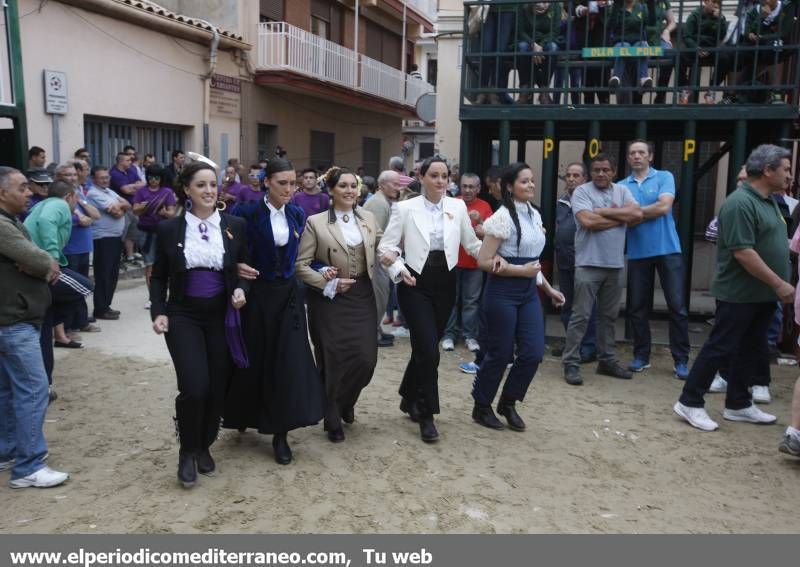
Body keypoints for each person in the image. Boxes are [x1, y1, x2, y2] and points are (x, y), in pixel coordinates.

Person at [673, 145, 793, 431]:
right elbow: (743, 252)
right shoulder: (740, 203)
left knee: (750, 348)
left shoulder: (770, 201)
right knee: (720, 347)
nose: (789, 175)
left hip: (761, 294)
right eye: (786, 169)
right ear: (767, 170)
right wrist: (779, 283)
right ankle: (689, 401)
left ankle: (738, 404)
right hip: (739, 294)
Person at [149, 161, 249, 488]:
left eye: (212, 184)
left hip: (222, 316)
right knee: (194, 386)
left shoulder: (235, 225)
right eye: (201, 185)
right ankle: (187, 451)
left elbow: (244, 272)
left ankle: (205, 444)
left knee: (217, 387)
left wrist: (240, 290)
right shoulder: (169, 229)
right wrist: (159, 311)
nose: (209, 191)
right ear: (187, 190)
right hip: (183, 315)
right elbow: (159, 275)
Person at [223, 158, 324, 465]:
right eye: (283, 183)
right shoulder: (246, 212)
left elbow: (303, 256)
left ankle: (281, 433)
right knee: (254, 359)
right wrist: (236, 267)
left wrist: (323, 270)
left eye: (293, 183)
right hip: (256, 296)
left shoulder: (296, 213)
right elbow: (229, 248)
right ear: (267, 182)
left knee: (288, 363)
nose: (290, 189)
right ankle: (242, 414)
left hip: (289, 296)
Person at [378, 156, 484, 443]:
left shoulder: (457, 206)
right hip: (414, 282)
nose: (440, 181)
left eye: (444, 176)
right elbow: (385, 247)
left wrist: (492, 255)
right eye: (434, 175)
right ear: (421, 177)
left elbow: (471, 244)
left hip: (446, 282)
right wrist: (399, 270)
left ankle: (408, 396)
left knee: (426, 349)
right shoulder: (404, 208)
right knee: (429, 350)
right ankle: (427, 415)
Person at [471, 163, 565, 431]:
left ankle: (509, 402)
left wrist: (549, 289)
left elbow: (532, 262)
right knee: (500, 353)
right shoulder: (501, 218)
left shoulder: (534, 215)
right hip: (501, 292)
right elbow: (484, 261)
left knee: (534, 352)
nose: (531, 185)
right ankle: (481, 406)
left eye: (532, 180)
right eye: (525, 181)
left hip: (527, 293)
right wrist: (519, 270)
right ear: (510, 187)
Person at [296, 167, 380, 442]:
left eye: (353, 185)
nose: (349, 190)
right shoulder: (315, 222)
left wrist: (398, 262)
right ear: (331, 190)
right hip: (329, 299)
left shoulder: (368, 217)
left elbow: (381, 249)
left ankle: (346, 400)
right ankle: (331, 411)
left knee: (366, 359)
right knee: (333, 358)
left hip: (362, 293)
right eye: (342, 186)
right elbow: (301, 266)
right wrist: (327, 282)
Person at [0, 166, 69, 489]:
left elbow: (34, 258)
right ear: (3, 193)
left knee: (8, 390)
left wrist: (36, 261)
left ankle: (8, 452)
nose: (30, 193)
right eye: (23, 188)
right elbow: (43, 262)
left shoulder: (11, 223)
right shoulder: (2, 225)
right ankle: (29, 466)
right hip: (13, 322)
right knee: (34, 390)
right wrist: (43, 263)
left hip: (11, 320)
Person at [562, 154, 643, 386]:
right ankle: (571, 362)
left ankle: (606, 360)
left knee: (609, 317)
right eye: (596, 170)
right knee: (581, 316)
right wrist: (620, 217)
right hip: (588, 263)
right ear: (590, 172)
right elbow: (588, 222)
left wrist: (603, 212)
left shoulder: (622, 191)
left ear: (614, 171)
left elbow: (637, 215)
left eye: (605, 170)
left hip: (615, 264)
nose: (601, 174)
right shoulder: (582, 192)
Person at [620, 140, 690, 378]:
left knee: (677, 307)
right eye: (632, 153)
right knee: (637, 308)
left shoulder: (664, 176)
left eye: (641, 152)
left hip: (668, 249)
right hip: (639, 252)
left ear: (650, 156)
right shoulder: (621, 186)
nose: (636, 156)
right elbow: (622, 217)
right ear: (628, 158)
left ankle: (681, 359)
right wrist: (638, 212)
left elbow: (664, 208)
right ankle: (641, 356)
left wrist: (635, 213)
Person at [23, 181, 94, 398]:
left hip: (35, 264)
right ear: (70, 196)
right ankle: (55, 321)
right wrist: (53, 257)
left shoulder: (43, 204)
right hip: (41, 264)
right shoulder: (58, 205)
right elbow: (46, 222)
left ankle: (45, 386)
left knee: (45, 330)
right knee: (85, 287)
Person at [442, 173, 492, 353]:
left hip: (474, 263)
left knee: (471, 301)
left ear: (479, 189)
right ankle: (449, 335)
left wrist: (479, 221)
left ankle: (470, 336)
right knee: (451, 300)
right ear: (459, 187)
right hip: (452, 261)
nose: (468, 190)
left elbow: (492, 235)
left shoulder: (485, 207)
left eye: (472, 187)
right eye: (465, 186)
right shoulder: (451, 204)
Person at [553, 162, 597, 362]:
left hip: (584, 262)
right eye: (568, 175)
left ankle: (588, 348)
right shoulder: (561, 202)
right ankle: (572, 345)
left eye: (576, 175)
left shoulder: (591, 199)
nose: (571, 178)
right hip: (564, 261)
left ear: (585, 178)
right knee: (566, 305)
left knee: (585, 307)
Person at [55, 163, 101, 338]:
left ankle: (81, 321)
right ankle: (67, 327)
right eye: (68, 175)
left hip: (83, 247)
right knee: (69, 289)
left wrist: (81, 203)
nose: (72, 178)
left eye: (74, 174)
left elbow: (95, 215)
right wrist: (80, 216)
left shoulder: (79, 192)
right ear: (59, 177)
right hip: (69, 249)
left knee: (81, 287)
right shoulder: (58, 195)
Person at [363, 170, 402, 348]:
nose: (398, 187)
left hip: (380, 258)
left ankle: (375, 330)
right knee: (378, 296)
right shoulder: (379, 204)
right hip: (376, 259)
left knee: (381, 295)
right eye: (395, 184)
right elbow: (375, 237)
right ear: (383, 185)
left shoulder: (382, 201)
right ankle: (372, 334)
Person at [86, 166, 131, 320]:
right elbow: (115, 212)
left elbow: (127, 205)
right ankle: (100, 308)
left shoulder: (110, 192)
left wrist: (122, 207)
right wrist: (122, 207)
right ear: (94, 179)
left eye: (107, 177)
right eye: (102, 177)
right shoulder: (93, 193)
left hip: (114, 238)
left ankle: (106, 305)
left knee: (112, 274)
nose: (105, 180)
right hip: (103, 238)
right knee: (104, 274)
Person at [132, 165, 177, 297]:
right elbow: (134, 210)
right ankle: (153, 297)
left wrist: (164, 212)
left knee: (166, 264)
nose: (153, 180)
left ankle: (167, 294)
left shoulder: (167, 192)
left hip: (163, 232)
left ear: (161, 179)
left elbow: (172, 213)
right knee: (149, 265)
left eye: (156, 178)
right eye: (151, 177)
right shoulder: (141, 192)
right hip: (146, 232)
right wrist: (143, 207)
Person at [678, 0, 731, 104]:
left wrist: (721, 20)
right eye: (713, 2)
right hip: (695, 48)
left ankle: (712, 90)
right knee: (680, 56)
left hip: (712, 49)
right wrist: (696, 48)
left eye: (718, 3)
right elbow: (687, 36)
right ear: (706, 2)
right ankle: (684, 89)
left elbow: (722, 36)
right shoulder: (695, 15)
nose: (716, 5)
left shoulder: (720, 17)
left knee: (725, 58)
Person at [516, 2, 563, 105]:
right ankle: (524, 90)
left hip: (546, 41)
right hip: (528, 40)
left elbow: (555, 31)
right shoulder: (523, 6)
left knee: (553, 48)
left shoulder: (555, 7)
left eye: (546, 2)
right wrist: (534, 45)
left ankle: (544, 91)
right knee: (522, 47)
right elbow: (521, 31)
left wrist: (541, 45)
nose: (542, 4)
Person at [607, 0, 657, 97]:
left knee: (642, 45)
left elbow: (652, 21)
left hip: (637, 43)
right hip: (620, 42)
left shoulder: (641, 7)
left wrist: (651, 4)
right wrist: (616, 6)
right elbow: (611, 25)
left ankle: (643, 78)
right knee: (624, 47)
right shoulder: (617, 7)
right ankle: (616, 78)